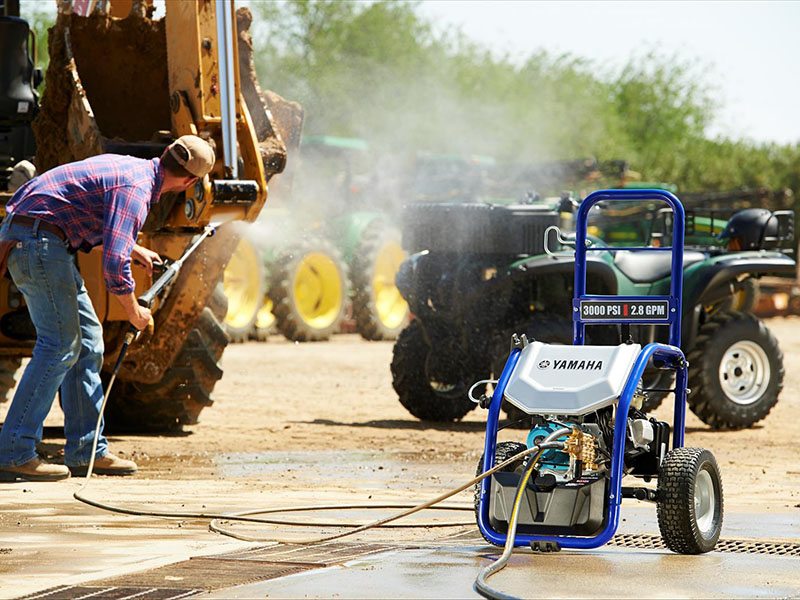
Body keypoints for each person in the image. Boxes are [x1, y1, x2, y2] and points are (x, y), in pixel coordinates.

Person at [0, 135, 215, 482]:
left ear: (164, 155)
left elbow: (85, 218)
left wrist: (134, 249)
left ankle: (87, 451)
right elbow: (114, 267)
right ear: (190, 182)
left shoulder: (134, 169)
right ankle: (14, 451)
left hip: (37, 237)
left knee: (88, 342)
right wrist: (134, 313)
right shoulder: (138, 189)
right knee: (59, 345)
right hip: (39, 243)